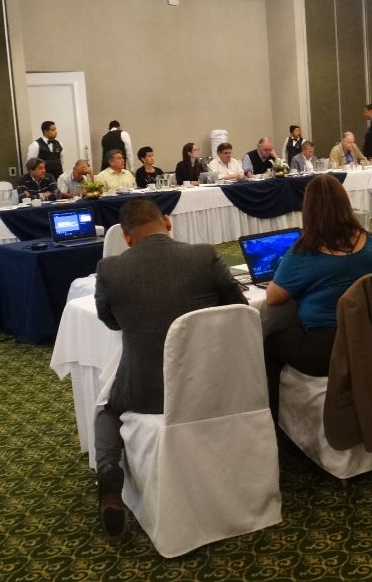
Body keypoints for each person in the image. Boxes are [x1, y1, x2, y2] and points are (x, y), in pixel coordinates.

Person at [93, 198, 246, 542]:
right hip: (210, 384)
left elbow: (112, 322)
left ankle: (109, 473)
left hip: (147, 393)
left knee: (106, 406)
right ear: (167, 222)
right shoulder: (204, 256)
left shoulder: (110, 269)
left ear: (127, 238)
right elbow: (239, 310)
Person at [265, 174, 372, 378]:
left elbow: (272, 297)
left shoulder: (304, 252)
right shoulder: (371, 244)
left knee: (271, 343)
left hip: (327, 350)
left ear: (308, 211)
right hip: (370, 340)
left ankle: (276, 400)